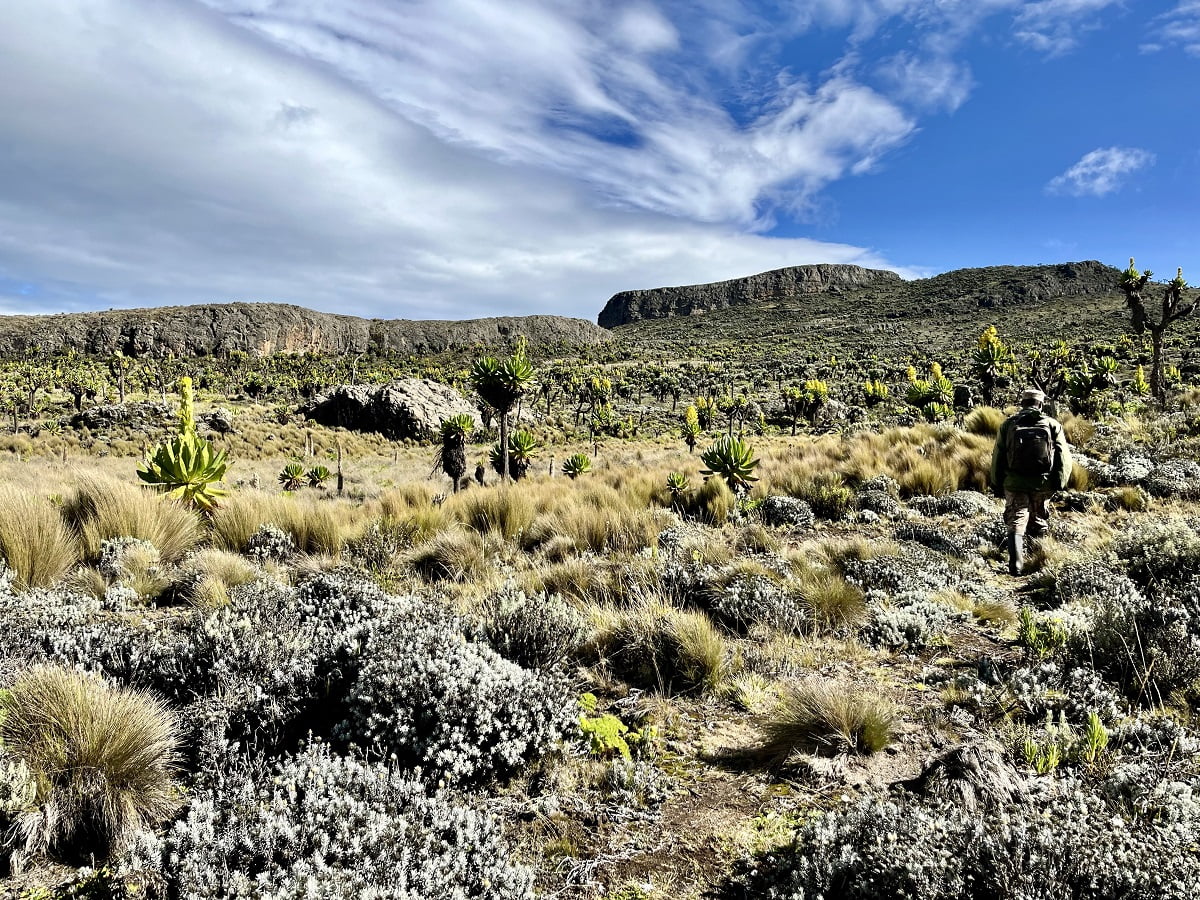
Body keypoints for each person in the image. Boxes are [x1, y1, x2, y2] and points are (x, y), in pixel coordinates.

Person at [989, 388, 1073, 576]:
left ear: (1023, 403)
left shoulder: (1008, 425)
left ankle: (1016, 565)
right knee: (1039, 518)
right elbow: (1063, 457)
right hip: (1042, 483)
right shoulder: (1052, 424)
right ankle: (1039, 559)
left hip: (1014, 482)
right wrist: (1058, 482)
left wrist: (997, 482)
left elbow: (998, 456)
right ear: (1041, 404)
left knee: (1016, 519)